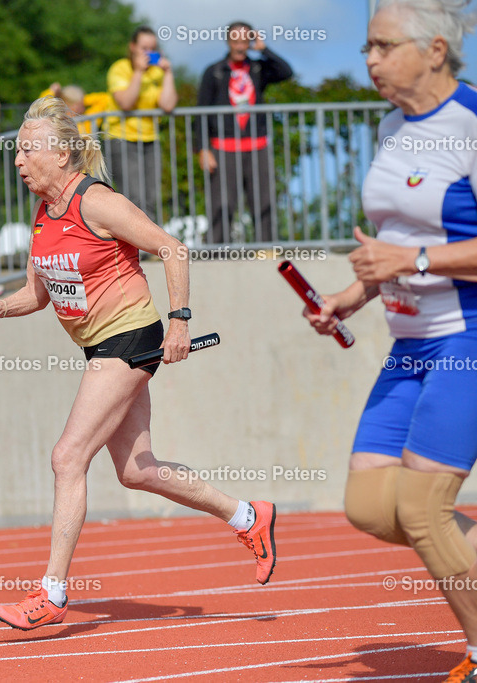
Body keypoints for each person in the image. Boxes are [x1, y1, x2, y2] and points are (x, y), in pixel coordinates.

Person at [0, 96, 276, 631]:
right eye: (15, 152)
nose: (17, 161)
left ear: (63, 154)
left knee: (67, 458)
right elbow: (36, 295)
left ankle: (53, 592)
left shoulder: (97, 201)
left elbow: (173, 248)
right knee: (136, 470)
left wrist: (179, 321)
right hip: (100, 346)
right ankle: (248, 515)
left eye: (27, 150)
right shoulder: (43, 214)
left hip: (127, 340)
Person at [306, 3, 477, 681]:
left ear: (434, 49)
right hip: (408, 344)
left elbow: (413, 253)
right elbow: (393, 246)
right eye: (364, 48)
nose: (369, 60)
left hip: (465, 337)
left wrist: (412, 264)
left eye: (381, 46)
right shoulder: (389, 126)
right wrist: (354, 293)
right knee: (371, 503)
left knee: (423, 506)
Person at [194, 22, 292, 245]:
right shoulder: (214, 72)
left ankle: (265, 249)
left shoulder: (258, 68)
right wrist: (203, 149)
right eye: (235, 41)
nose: (240, 46)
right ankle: (218, 251)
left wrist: (264, 50)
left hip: (257, 146)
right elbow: (200, 113)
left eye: (244, 41)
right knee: (222, 203)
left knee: (263, 200)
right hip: (223, 147)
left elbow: (286, 72)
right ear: (228, 42)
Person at [105, 27, 178, 223]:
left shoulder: (157, 73)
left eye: (152, 48)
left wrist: (168, 73)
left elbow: (168, 105)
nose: (148, 52)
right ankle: (134, 249)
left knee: (152, 198)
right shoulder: (120, 68)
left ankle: (148, 247)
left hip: (150, 139)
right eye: (144, 48)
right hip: (122, 139)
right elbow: (126, 102)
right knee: (133, 197)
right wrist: (138, 72)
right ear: (132, 47)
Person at [40, 83, 113, 134]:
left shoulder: (87, 120)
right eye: (77, 104)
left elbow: (105, 99)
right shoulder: (57, 119)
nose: (82, 107)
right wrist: (53, 92)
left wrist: (83, 100)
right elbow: (41, 104)